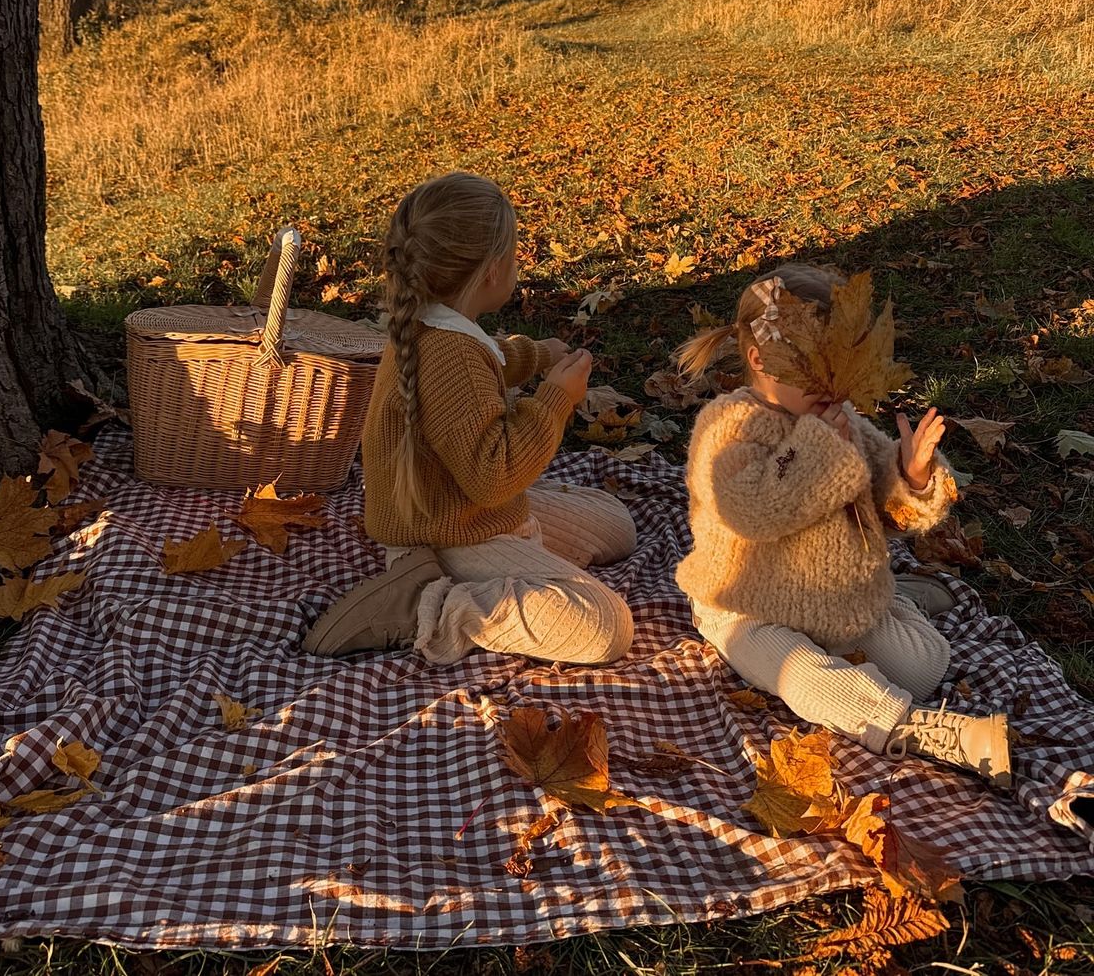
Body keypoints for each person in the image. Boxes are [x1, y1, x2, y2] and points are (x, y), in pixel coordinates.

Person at [674, 263, 1012, 786]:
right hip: (745, 603)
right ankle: (917, 728)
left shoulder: (839, 416)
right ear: (760, 358)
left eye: (840, 364)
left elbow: (885, 502)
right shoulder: (728, 428)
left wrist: (911, 474)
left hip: (837, 599)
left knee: (925, 669)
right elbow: (753, 510)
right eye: (812, 365)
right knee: (800, 675)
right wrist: (815, 445)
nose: (830, 383)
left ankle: (898, 598)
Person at [304, 172, 636, 665]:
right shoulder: (448, 354)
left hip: (460, 511)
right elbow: (493, 475)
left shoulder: (434, 325)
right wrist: (554, 401)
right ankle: (427, 606)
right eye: (516, 253)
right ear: (490, 272)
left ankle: (511, 569)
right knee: (606, 626)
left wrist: (536, 356)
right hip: (449, 535)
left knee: (617, 525)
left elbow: (482, 369)